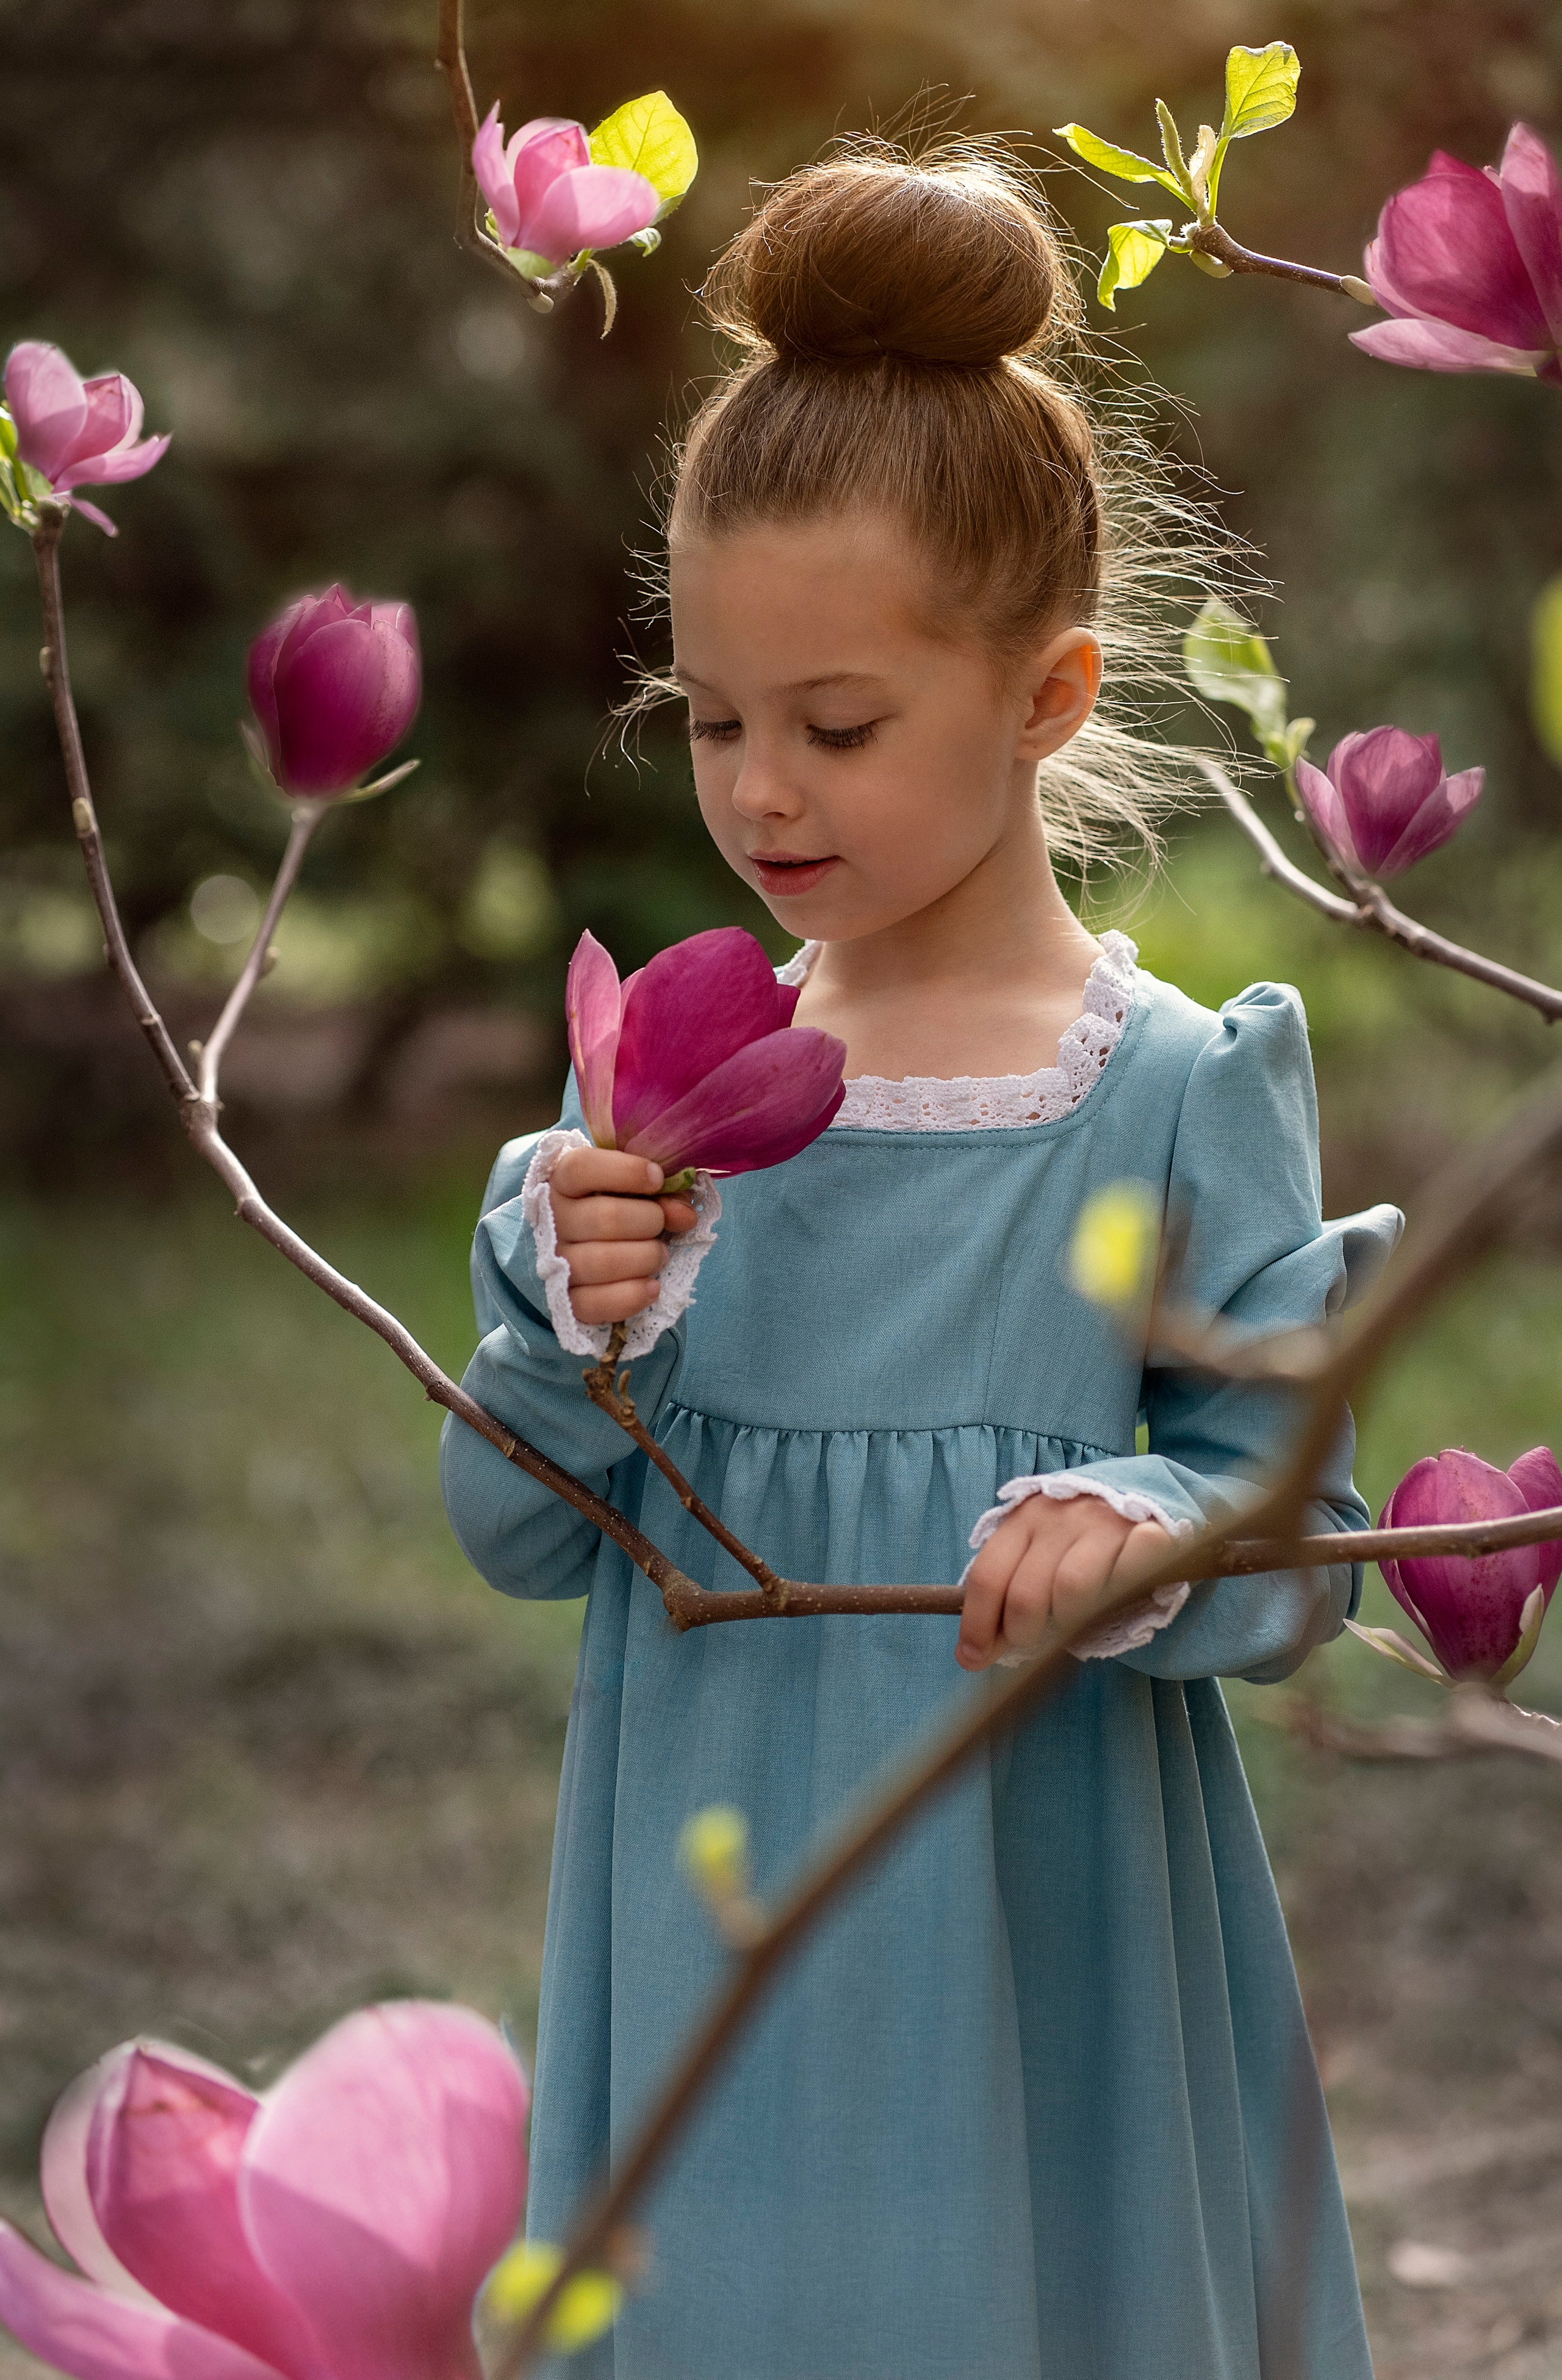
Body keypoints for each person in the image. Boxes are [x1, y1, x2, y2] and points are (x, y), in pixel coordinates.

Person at [441, 139, 1400, 2380]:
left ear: (1050, 697)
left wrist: (1145, 1513)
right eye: (712, 719)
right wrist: (580, 1317)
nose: (761, 791)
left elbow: (1301, 1555)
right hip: (719, 1963)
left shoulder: (1165, 1088)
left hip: (1038, 1965)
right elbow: (515, 1530)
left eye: (837, 726)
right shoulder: (662, 1103)